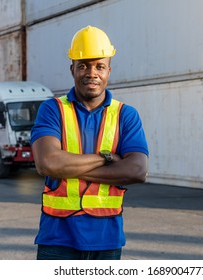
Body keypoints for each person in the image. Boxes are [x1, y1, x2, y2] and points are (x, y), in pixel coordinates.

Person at [31, 25, 149, 260]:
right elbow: (47, 164)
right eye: (83, 65)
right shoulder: (52, 110)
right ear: (72, 68)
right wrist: (106, 159)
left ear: (109, 70)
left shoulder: (126, 115)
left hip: (107, 240)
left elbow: (137, 170)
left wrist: (68, 168)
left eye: (99, 66)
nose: (91, 73)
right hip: (57, 240)